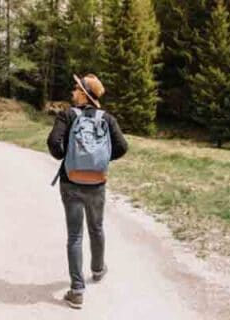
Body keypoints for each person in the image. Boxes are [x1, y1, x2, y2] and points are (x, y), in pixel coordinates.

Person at [47, 74, 128, 309]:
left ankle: (77, 290)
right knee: (97, 227)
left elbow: (53, 142)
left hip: (70, 181)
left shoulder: (68, 115)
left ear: (84, 94)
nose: (73, 91)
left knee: (75, 235)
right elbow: (122, 147)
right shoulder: (107, 118)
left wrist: (65, 157)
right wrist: (100, 160)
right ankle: (98, 269)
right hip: (97, 183)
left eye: (76, 88)